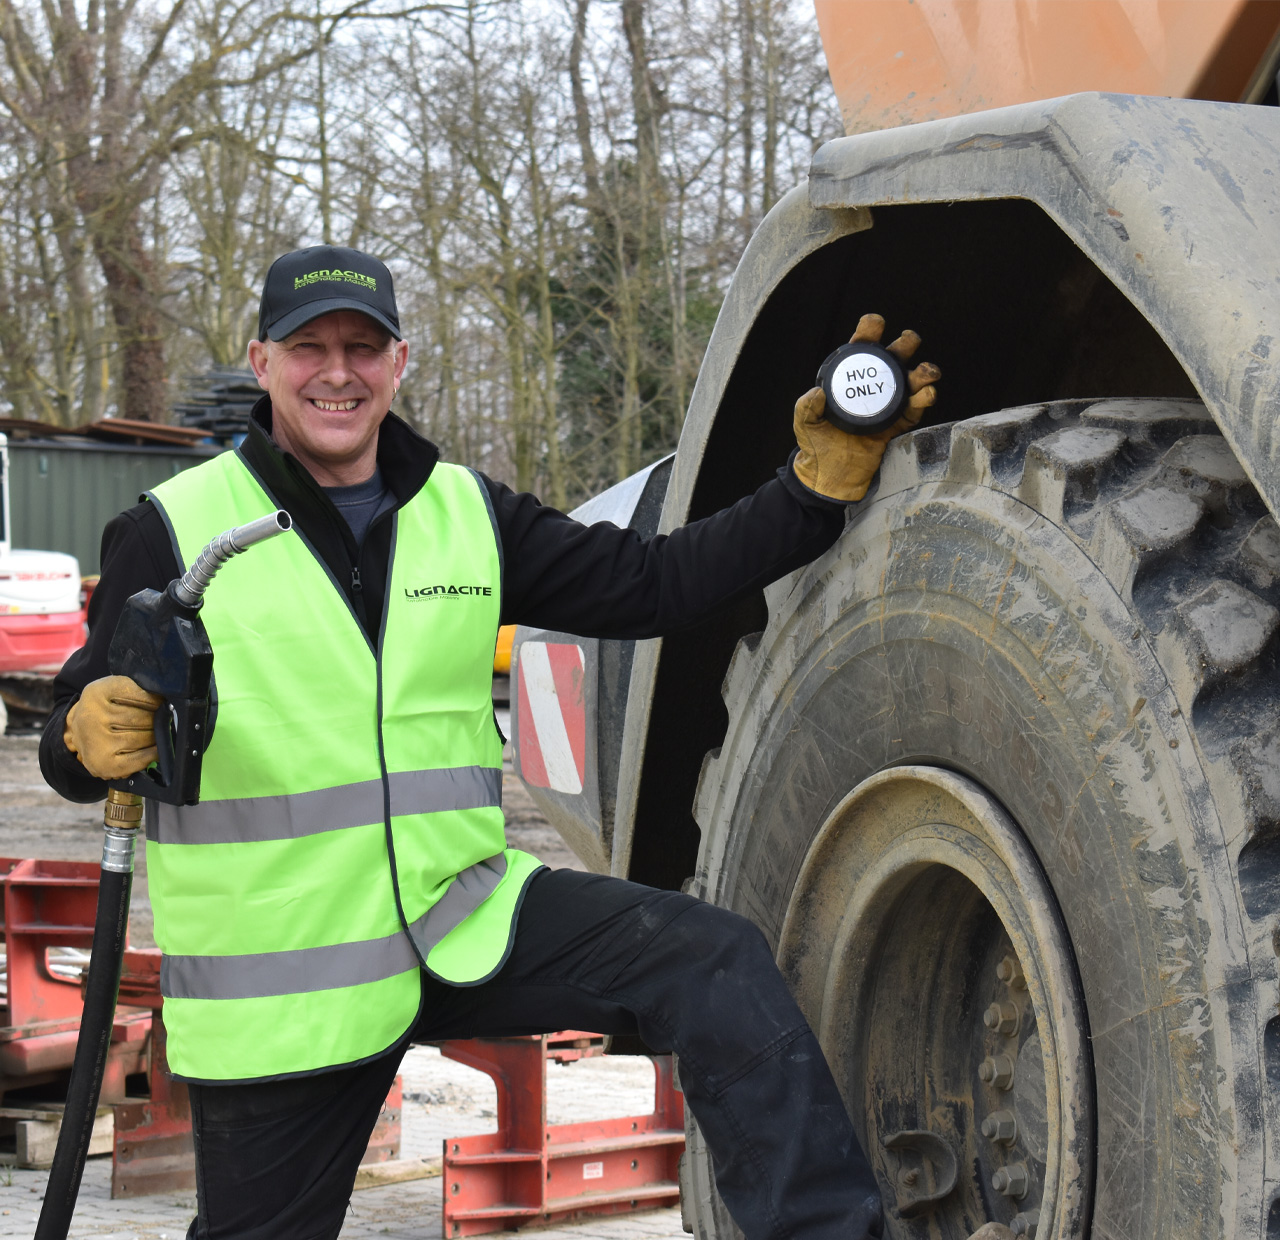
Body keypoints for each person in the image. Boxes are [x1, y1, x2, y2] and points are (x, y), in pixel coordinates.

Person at [42, 245, 941, 1240]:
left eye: (361, 346)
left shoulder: (463, 513)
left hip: (462, 917)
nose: (335, 371)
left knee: (709, 958)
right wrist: (87, 734)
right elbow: (82, 745)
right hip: (288, 981)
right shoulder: (171, 529)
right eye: (308, 348)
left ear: (399, 362)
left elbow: (652, 584)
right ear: (261, 361)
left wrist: (811, 489)